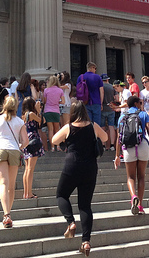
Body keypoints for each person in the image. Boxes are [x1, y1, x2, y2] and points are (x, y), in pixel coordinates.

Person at [52, 101, 107, 255]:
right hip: (90, 168)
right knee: (85, 205)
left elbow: (54, 140)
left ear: (73, 112)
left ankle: (70, 222)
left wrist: (66, 142)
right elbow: (105, 137)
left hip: (72, 166)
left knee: (61, 195)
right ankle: (86, 241)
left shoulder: (68, 127)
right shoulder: (93, 126)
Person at [0, 95, 28, 228]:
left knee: (3, 184)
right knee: (11, 186)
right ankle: (8, 213)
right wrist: (20, 146)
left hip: (0, 150)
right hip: (14, 151)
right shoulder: (19, 121)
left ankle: (6, 214)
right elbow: (25, 141)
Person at [114, 95, 149, 215]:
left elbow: (119, 137)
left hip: (128, 148)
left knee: (130, 177)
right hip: (142, 144)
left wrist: (117, 155)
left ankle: (133, 196)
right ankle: (140, 205)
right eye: (141, 103)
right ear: (137, 103)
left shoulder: (122, 116)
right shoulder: (143, 114)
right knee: (141, 176)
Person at [22, 97, 44, 199]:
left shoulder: (24, 115)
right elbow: (42, 121)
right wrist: (39, 110)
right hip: (33, 140)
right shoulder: (31, 114)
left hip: (27, 140)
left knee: (27, 169)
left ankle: (26, 192)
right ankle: (29, 193)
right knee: (30, 169)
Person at [43, 74, 65, 152]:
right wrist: (57, 102)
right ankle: (58, 146)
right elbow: (63, 101)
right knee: (57, 129)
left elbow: (44, 101)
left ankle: (52, 147)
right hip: (56, 111)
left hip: (48, 111)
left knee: (50, 130)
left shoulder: (46, 90)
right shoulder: (60, 90)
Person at [100, 74, 116, 150]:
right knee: (111, 126)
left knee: (102, 126)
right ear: (108, 79)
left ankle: (103, 145)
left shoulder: (100, 87)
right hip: (111, 108)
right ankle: (112, 145)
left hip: (102, 108)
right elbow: (116, 98)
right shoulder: (112, 87)